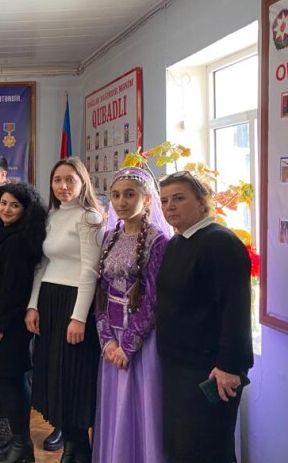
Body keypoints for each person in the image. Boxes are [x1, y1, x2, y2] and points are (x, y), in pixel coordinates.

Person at [156, 171, 253, 463]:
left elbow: (235, 310)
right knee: (181, 449)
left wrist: (228, 366)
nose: (170, 206)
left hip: (210, 370)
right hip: (178, 366)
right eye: (164, 200)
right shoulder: (178, 242)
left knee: (208, 450)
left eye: (179, 198)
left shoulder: (221, 243)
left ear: (201, 202)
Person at [25, 157, 104, 463]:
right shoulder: (53, 216)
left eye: (70, 179)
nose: (63, 186)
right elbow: (43, 264)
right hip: (49, 300)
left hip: (74, 303)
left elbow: (90, 271)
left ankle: (79, 449)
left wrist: (79, 317)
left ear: (83, 182)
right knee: (54, 373)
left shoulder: (89, 218)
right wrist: (33, 305)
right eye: (58, 180)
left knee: (73, 376)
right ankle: (71, 444)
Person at [92, 167, 171, 463]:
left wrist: (128, 346)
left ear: (147, 199)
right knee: (114, 405)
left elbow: (153, 298)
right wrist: (107, 340)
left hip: (141, 342)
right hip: (113, 340)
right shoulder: (110, 236)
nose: (121, 202)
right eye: (115, 195)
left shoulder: (157, 240)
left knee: (142, 404)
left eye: (129, 195)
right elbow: (101, 291)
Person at [0, 183, 47, 463]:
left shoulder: (18, 240)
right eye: (3, 203)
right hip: (1, 322)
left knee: (12, 383)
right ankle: (21, 443)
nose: (6, 209)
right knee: (7, 382)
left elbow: (13, 287)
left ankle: (22, 443)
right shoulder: (3, 234)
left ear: (25, 211)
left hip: (9, 325)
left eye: (14, 205)